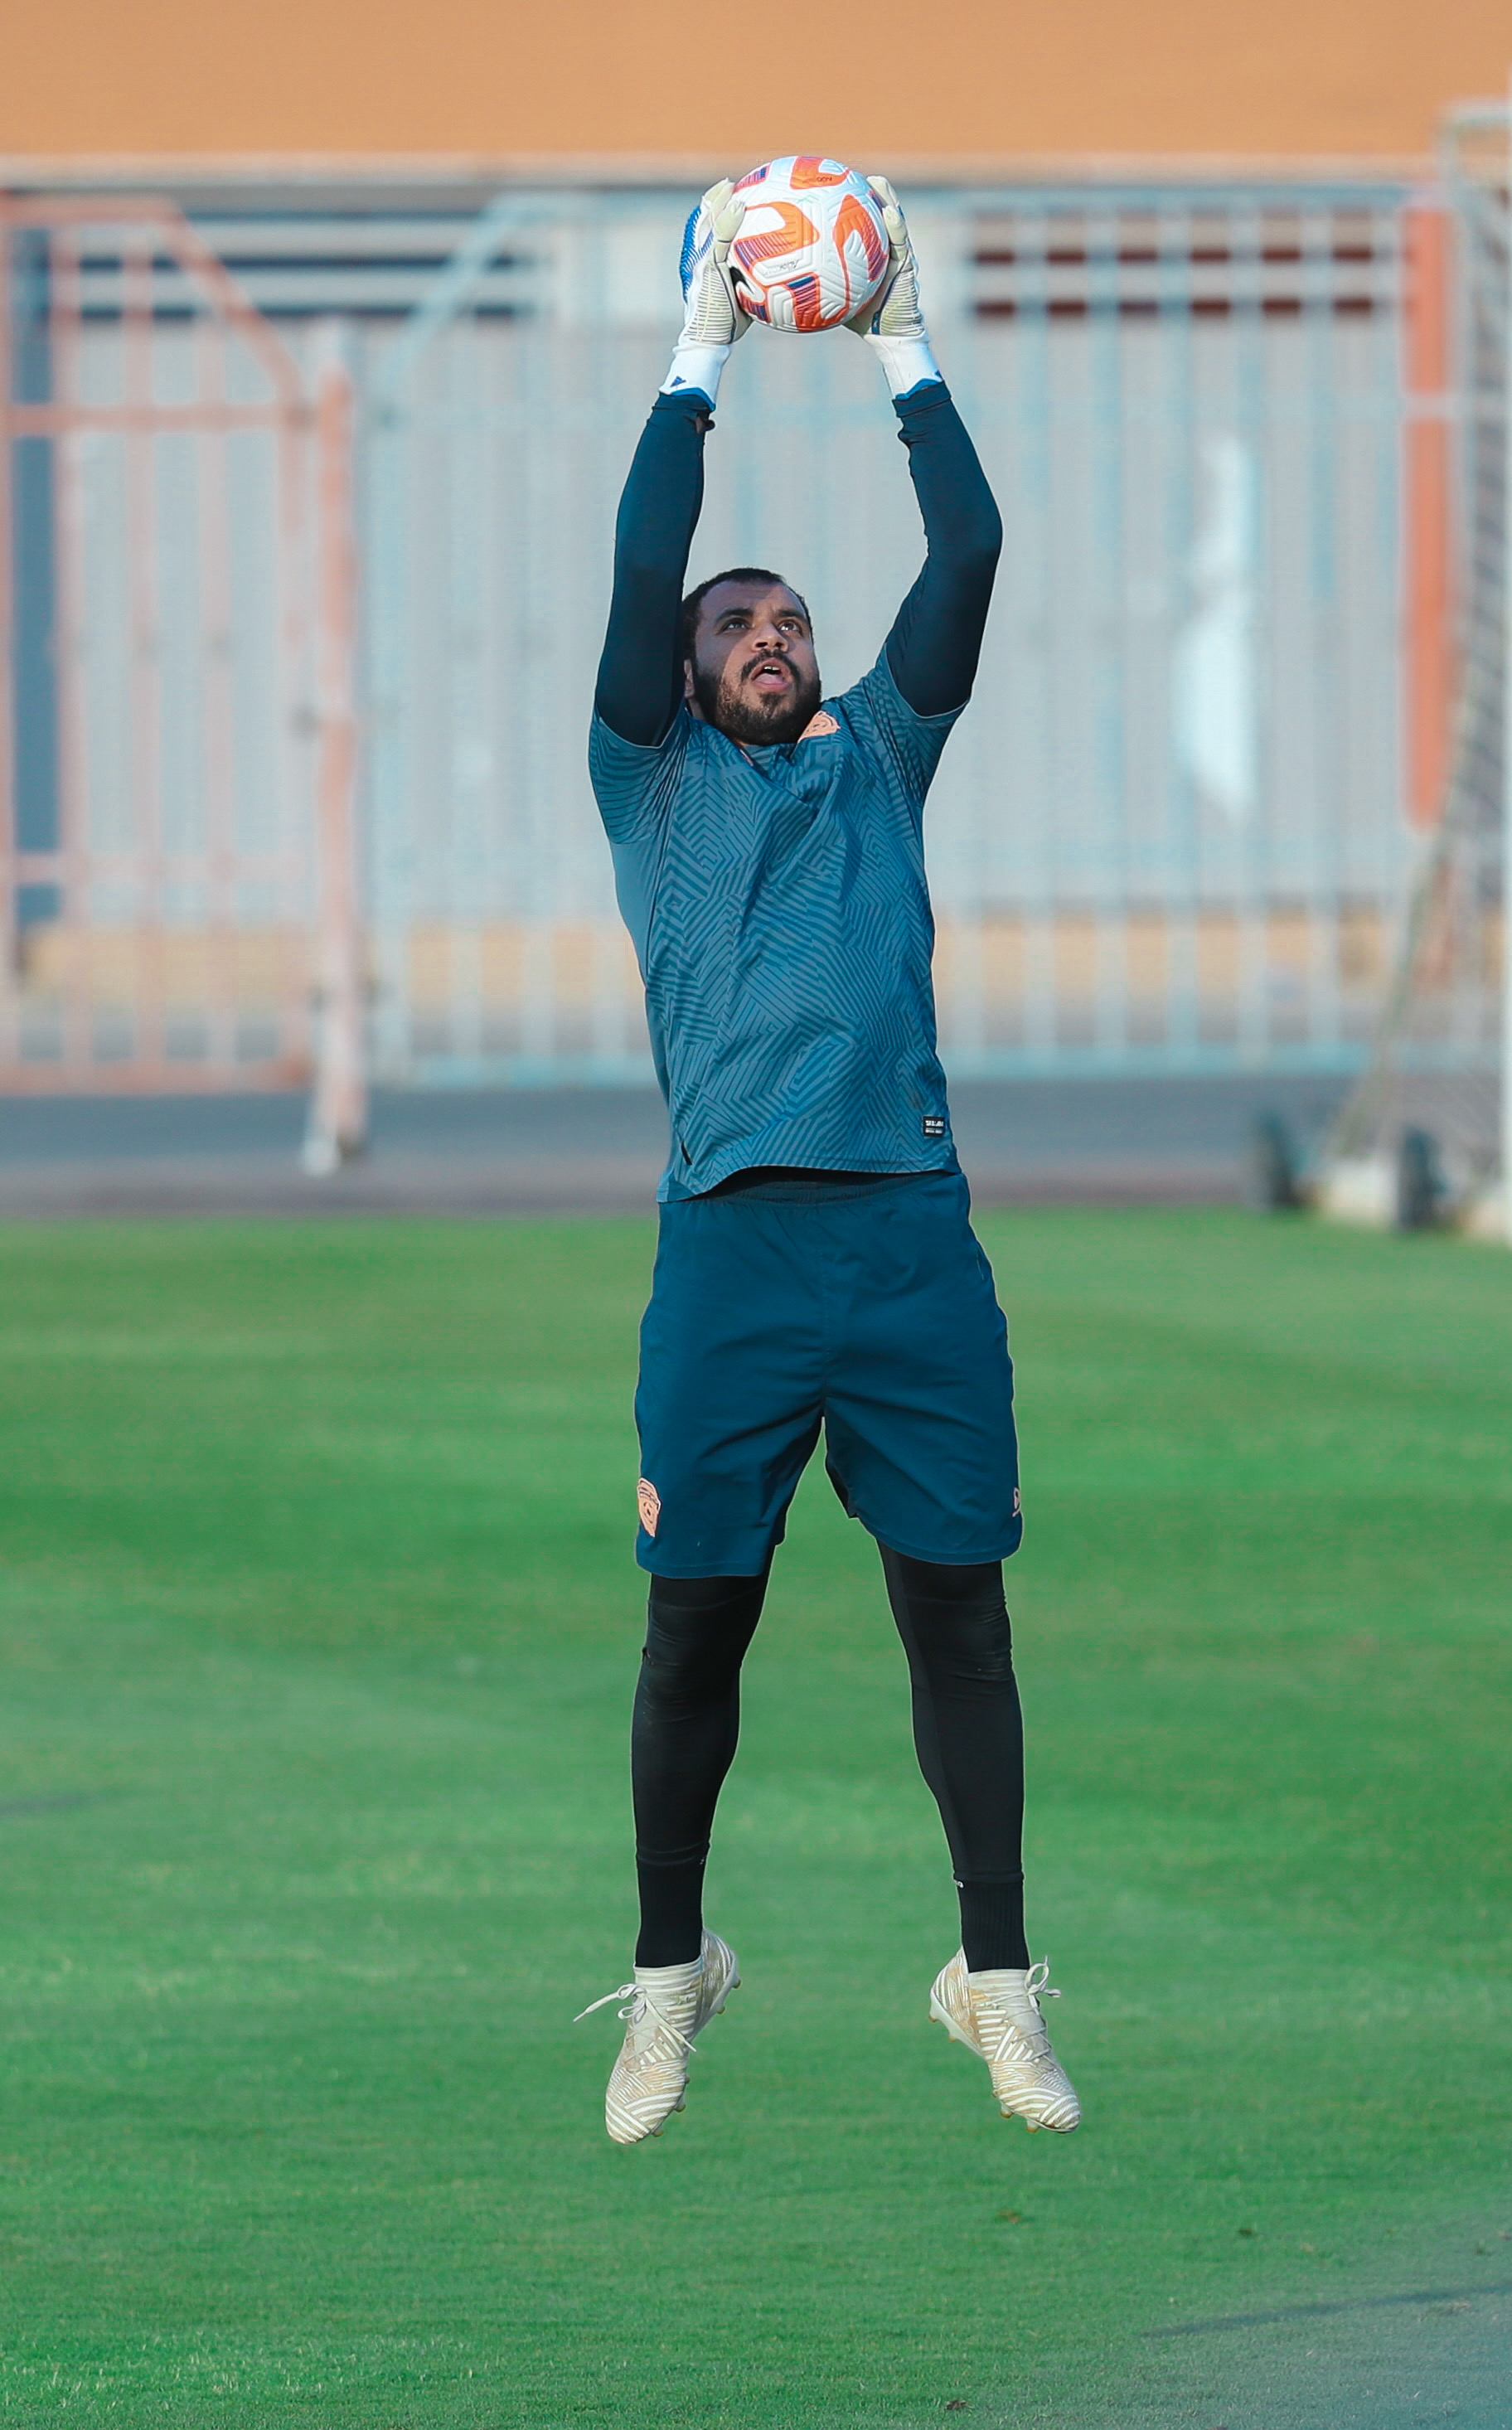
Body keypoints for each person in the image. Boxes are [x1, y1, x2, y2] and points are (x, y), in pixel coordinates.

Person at [574, 173, 1078, 2146]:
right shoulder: (652, 776)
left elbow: (972, 541)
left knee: (960, 1608)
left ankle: (998, 1977)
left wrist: (898, 337)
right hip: (733, 1257)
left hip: (910, 1251)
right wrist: (700, 350)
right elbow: (640, 572)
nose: (771, 634)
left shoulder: (879, 753)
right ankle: (673, 1967)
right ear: (687, 675)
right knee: (695, 1619)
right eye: (738, 624)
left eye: (789, 617)